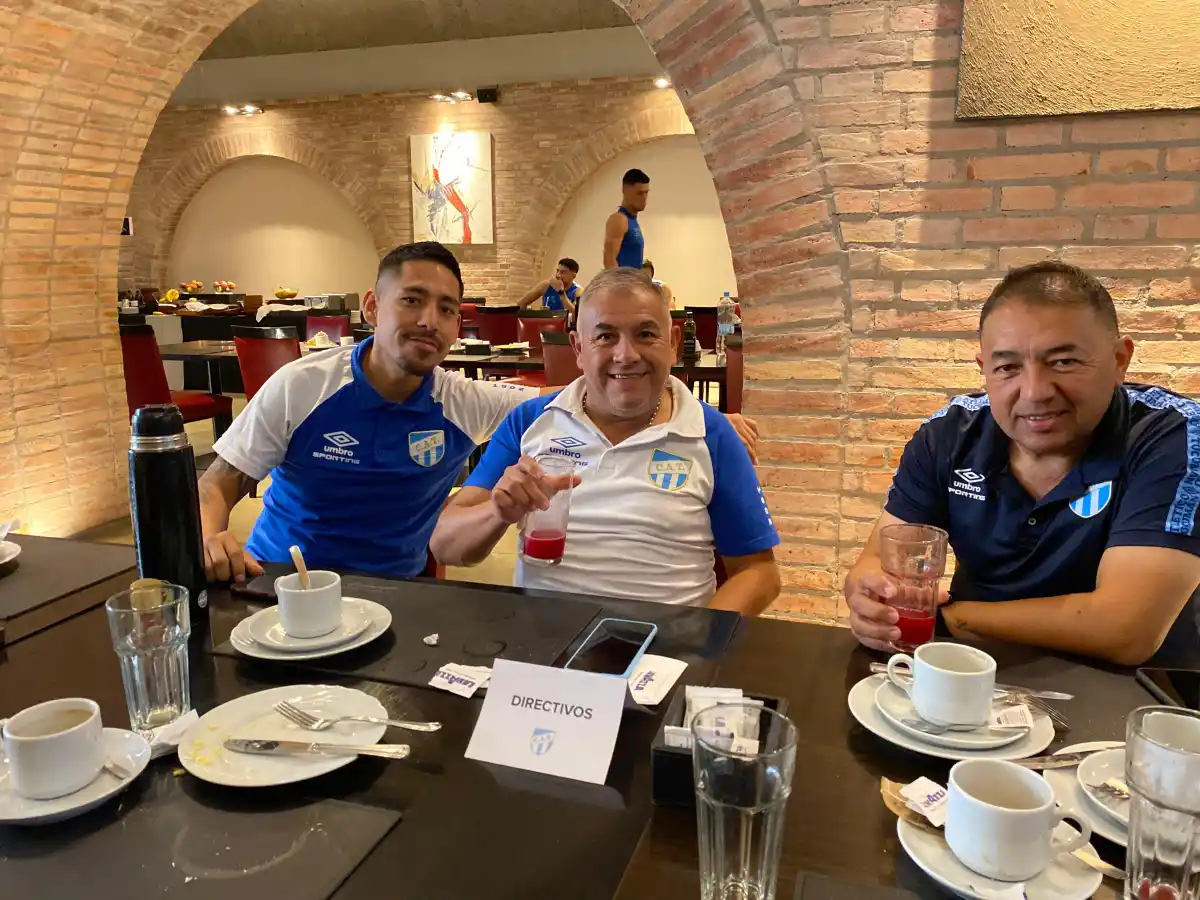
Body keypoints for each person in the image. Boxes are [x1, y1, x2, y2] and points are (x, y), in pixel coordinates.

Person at [200, 244, 760, 583]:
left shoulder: (461, 400)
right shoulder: (303, 386)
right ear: (372, 307)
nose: (429, 320)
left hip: (403, 591)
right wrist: (209, 536)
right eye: (411, 300)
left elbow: (574, 395)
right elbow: (217, 486)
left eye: (447, 308)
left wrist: (692, 411)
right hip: (283, 579)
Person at [844, 261, 1200, 666]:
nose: (1034, 392)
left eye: (1063, 361)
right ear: (984, 371)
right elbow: (878, 559)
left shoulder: (1174, 436)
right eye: (1008, 367)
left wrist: (954, 617)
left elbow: (1125, 629)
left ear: (1120, 359)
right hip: (974, 674)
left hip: (1131, 693)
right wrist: (870, 600)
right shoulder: (948, 436)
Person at [431, 267, 781, 615]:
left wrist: (699, 646)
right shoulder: (528, 422)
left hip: (667, 656)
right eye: (605, 337)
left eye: (646, 334)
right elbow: (445, 546)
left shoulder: (713, 433)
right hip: (545, 647)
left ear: (673, 343)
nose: (626, 354)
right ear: (578, 348)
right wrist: (498, 511)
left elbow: (759, 572)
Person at [603, 169, 648, 269]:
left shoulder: (632, 221)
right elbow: (609, 261)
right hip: (623, 284)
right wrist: (622, 285)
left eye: (646, 193)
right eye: (639, 193)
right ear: (625, 192)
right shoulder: (619, 220)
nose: (644, 198)